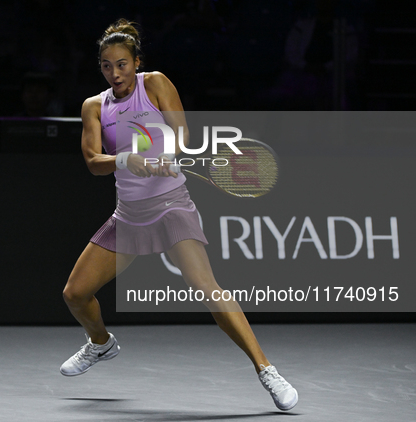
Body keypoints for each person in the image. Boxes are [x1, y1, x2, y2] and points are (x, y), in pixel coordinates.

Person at [60, 19, 298, 412]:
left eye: (122, 64)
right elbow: (93, 161)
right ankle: (100, 344)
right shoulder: (94, 107)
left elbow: (181, 132)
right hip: (129, 215)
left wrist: (166, 156)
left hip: (170, 207)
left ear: (136, 62)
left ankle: (267, 371)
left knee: (208, 289)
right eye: (106, 65)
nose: (115, 72)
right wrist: (127, 159)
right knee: (75, 294)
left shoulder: (155, 83)